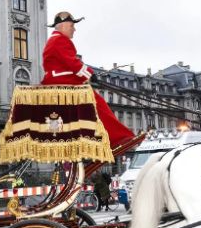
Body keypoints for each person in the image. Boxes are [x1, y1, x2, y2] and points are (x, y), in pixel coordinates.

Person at [41, 12, 136, 150]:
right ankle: (118, 139)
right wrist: (91, 74)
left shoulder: (53, 41)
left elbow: (67, 64)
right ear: (63, 25)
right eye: (72, 25)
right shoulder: (60, 40)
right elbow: (73, 63)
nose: (74, 29)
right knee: (98, 106)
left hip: (59, 82)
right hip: (64, 83)